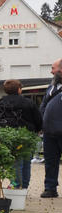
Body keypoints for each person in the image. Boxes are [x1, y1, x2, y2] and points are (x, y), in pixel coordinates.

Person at [0, 79, 42, 189]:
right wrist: (36, 131)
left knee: (14, 162)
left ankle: (16, 185)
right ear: (19, 90)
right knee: (26, 163)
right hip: (27, 137)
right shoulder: (29, 103)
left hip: (7, 137)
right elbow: (38, 120)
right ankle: (23, 187)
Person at [40, 58, 62, 198]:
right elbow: (43, 104)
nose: (51, 71)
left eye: (53, 68)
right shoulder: (51, 86)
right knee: (50, 161)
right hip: (49, 132)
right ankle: (50, 188)